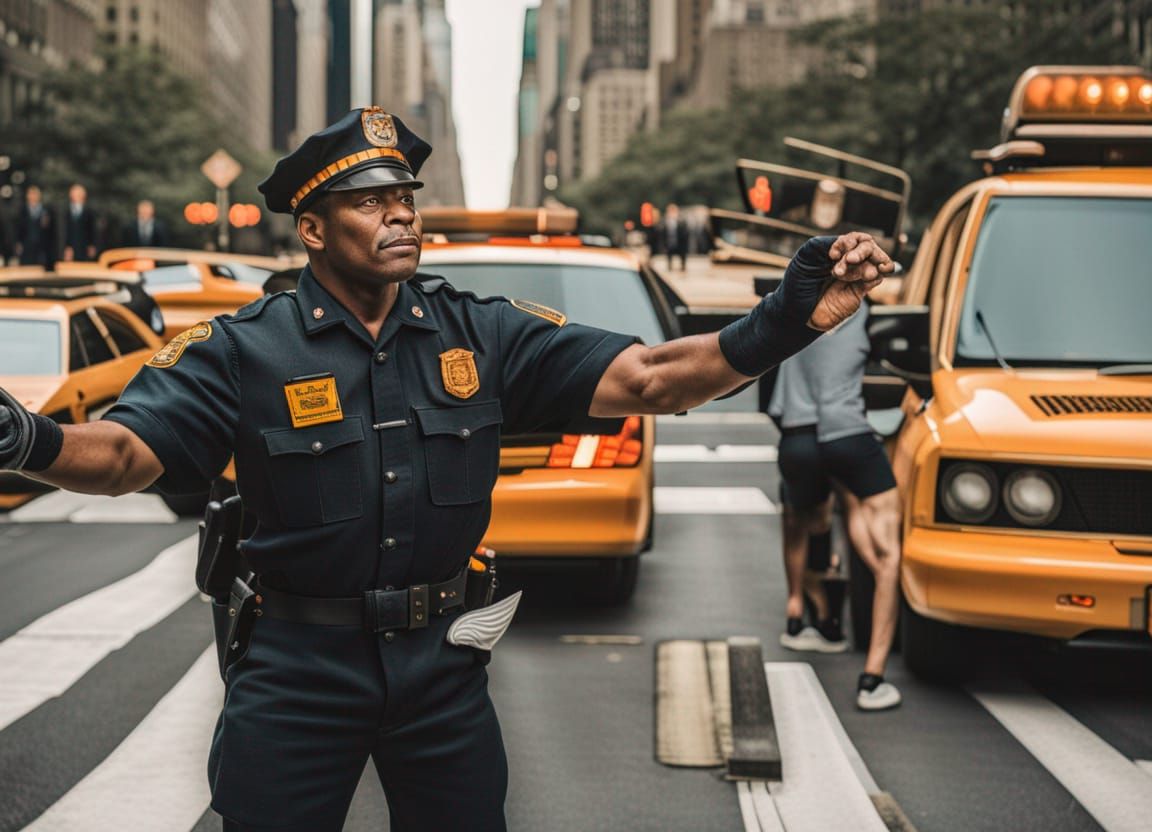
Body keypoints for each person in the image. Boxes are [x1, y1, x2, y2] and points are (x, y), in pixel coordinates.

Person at [0, 108, 892, 830]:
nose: (400, 214)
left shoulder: (482, 331)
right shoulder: (244, 351)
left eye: (405, 197)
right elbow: (121, 456)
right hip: (297, 664)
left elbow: (653, 377)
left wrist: (790, 316)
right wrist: (23, 440)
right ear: (311, 228)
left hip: (442, 666)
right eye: (369, 200)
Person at [769, 304, 903, 711]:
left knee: (802, 518)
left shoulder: (789, 308)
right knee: (886, 554)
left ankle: (801, 615)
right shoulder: (863, 313)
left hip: (796, 436)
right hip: (846, 434)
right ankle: (872, 678)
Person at [14, 185, 57, 267]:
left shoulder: (46, 211)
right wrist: (18, 243)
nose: (33, 196)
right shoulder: (22, 211)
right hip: (27, 248)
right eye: (31, 194)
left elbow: (51, 232)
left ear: (39, 196)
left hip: (42, 250)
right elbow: (18, 229)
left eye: (35, 194)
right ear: (27, 196)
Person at [61, 183, 99, 261]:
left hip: (84, 248)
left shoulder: (89, 212)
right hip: (70, 248)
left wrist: (92, 245)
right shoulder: (66, 212)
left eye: (79, 194)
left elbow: (92, 230)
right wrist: (66, 247)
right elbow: (64, 231)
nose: (77, 196)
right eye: (75, 194)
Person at [661, 202, 689, 271]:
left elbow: (685, 232)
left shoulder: (681, 221)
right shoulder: (666, 221)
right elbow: (663, 233)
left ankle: (683, 267)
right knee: (670, 257)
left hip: (680, 242)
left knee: (682, 256)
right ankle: (670, 267)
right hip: (670, 242)